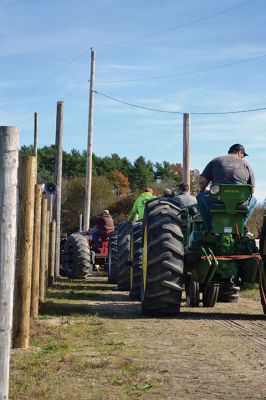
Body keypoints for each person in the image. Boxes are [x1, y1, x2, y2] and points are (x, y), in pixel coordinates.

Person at [197, 144, 256, 231]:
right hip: (239, 202)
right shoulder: (246, 165)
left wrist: (203, 190)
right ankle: (242, 227)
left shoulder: (215, 161)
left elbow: (202, 182)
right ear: (239, 153)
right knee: (254, 200)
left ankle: (210, 228)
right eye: (243, 155)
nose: (243, 158)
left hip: (217, 199)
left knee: (201, 196)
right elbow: (252, 189)